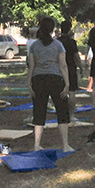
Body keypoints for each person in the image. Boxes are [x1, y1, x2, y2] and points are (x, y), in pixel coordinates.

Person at [27, 16, 72, 152]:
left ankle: (36, 145)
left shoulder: (34, 46)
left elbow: (31, 66)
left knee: (39, 113)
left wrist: (29, 83)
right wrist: (67, 84)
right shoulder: (58, 45)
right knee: (62, 112)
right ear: (52, 29)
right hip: (55, 79)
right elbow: (63, 66)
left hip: (38, 80)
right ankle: (65, 145)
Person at [59, 19, 82, 119]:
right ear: (69, 30)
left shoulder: (57, 42)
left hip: (59, 69)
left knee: (60, 92)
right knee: (72, 92)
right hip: (71, 68)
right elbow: (76, 56)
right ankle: (72, 115)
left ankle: (62, 114)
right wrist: (80, 67)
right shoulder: (72, 42)